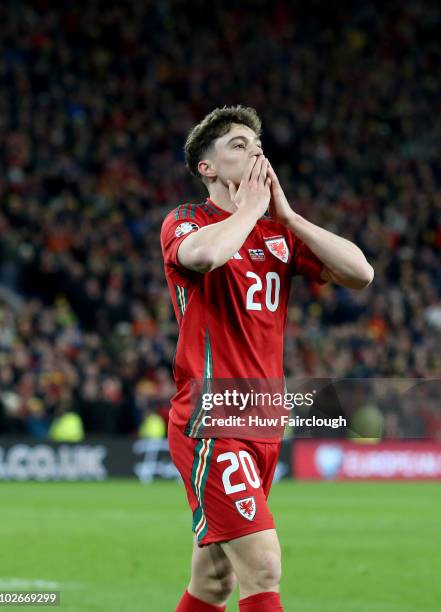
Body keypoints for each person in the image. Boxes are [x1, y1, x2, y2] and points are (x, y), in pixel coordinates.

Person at [160, 105, 373, 612]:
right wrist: (249, 211)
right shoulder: (187, 221)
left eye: (256, 144)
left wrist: (289, 217)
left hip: (263, 419)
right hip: (213, 417)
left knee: (213, 581)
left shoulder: (278, 233)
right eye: (237, 145)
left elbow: (361, 272)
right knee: (262, 566)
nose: (253, 150)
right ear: (206, 167)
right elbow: (205, 257)